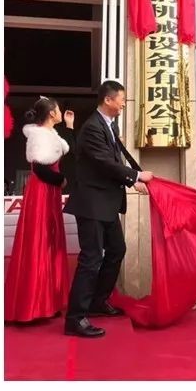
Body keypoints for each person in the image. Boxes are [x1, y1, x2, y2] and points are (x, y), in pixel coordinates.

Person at [64, 80, 154, 338]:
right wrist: (137, 175)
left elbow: (113, 161)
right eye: (121, 100)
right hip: (92, 203)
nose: (124, 104)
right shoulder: (93, 128)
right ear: (108, 99)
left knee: (116, 249)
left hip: (106, 203)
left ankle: (98, 301)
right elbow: (104, 162)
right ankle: (75, 318)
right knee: (91, 259)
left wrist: (132, 180)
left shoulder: (109, 126)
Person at [5, 97, 74, 323]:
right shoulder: (39, 135)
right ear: (51, 113)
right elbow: (40, 168)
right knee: (39, 240)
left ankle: (47, 301)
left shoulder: (51, 134)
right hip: (42, 191)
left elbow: (65, 150)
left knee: (48, 241)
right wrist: (60, 179)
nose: (60, 111)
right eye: (57, 109)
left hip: (49, 191)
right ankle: (32, 305)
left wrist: (69, 127)